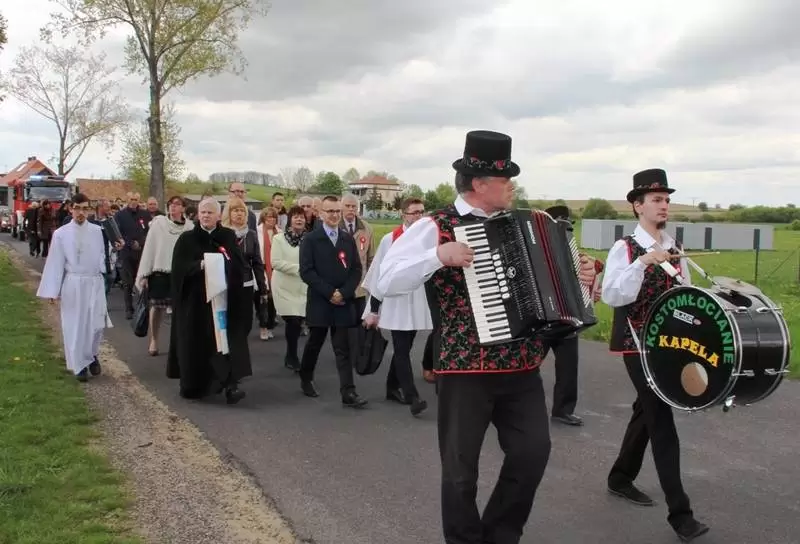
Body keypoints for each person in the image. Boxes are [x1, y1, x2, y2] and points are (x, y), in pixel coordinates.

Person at [377, 130, 599, 544]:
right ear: (479, 184)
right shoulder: (434, 227)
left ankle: (500, 534)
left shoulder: (529, 223)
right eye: (505, 179)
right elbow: (384, 281)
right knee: (460, 472)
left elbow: (560, 281)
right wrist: (436, 256)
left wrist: (585, 277)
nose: (512, 186)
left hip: (522, 366)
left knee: (532, 454)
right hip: (465, 370)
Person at [601, 168, 709, 542]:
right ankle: (681, 515)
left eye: (666, 200)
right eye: (656, 200)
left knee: (646, 411)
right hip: (638, 345)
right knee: (661, 418)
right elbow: (612, 295)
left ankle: (620, 477)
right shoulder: (625, 248)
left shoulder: (675, 245)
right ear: (638, 206)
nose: (664, 205)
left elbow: (684, 293)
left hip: (669, 344)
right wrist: (642, 263)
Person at [167, 197, 253, 404]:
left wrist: (224, 265)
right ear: (198, 214)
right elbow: (179, 269)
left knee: (224, 341)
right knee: (196, 343)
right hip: (196, 302)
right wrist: (200, 265)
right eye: (203, 212)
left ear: (218, 215)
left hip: (222, 300)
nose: (206, 216)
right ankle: (194, 385)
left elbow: (237, 264)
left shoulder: (227, 236)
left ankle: (230, 385)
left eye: (210, 212)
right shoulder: (187, 239)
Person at [362, 196, 433, 416]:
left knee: (406, 346)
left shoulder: (427, 238)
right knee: (401, 349)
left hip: (417, 300)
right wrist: (374, 309)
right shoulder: (390, 239)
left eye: (422, 212)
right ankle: (413, 397)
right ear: (403, 215)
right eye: (414, 212)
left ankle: (392, 387)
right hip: (396, 301)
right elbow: (378, 274)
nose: (419, 216)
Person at [298, 195, 366, 407]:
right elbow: (306, 271)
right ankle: (306, 377)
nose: (335, 215)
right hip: (321, 301)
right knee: (315, 343)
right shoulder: (311, 240)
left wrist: (343, 293)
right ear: (321, 213)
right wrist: (329, 293)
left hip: (343, 302)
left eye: (337, 211)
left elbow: (356, 269)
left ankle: (348, 391)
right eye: (330, 211)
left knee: (343, 348)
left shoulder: (347, 239)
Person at [36, 193, 110, 382]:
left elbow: (104, 256)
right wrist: (53, 290)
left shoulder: (97, 231)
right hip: (74, 283)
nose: (81, 213)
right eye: (77, 208)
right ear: (71, 209)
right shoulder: (61, 234)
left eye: (84, 209)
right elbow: (55, 262)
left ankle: (92, 354)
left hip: (94, 282)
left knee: (95, 324)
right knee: (75, 325)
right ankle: (79, 364)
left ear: (89, 210)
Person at [135, 196, 193, 355]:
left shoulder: (189, 227)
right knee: (156, 307)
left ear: (183, 208)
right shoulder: (158, 224)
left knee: (180, 310)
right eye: (170, 204)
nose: (173, 207)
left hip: (179, 274)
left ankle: (179, 342)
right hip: (159, 272)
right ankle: (154, 339)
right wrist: (145, 273)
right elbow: (150, 247)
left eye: (177, 204)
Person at [270, 205, 308, 370]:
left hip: (302, 287)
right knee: (293, 320)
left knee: (299, 322)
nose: (299, 219)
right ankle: (292, 356)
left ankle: (291, 355)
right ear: (290, 220)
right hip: (283, 287)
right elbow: (276, 262)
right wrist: (300, 269)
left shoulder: (309, 240)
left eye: (302, 217)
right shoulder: (279, 239)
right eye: (295, 216)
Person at [256, 207, 282, 340]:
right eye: (268, 217)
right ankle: (263, 327)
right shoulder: (257, 232)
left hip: (276, 269)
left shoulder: (280, 233)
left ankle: (270, 326)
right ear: (263, 218)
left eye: (273, 217)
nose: (271, 220)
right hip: (262, 268)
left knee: (273, 300)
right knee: (262, 300)